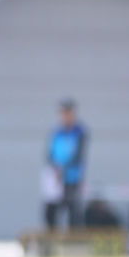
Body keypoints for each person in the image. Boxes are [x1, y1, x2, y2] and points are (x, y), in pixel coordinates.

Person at [46, 98, 87, 229]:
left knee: (73, 211)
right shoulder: (57, 133)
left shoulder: (79, 132)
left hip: (72, 178)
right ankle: (52, 236)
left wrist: (63, 169)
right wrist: (55, 168)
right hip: (56, 180)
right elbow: (50, 154)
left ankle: (73, 237)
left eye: (67, 112)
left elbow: (78, 155)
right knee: (51, 211)